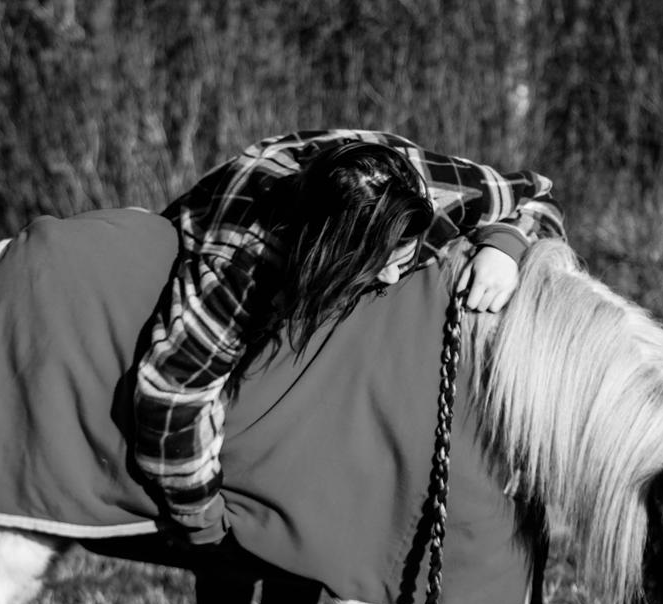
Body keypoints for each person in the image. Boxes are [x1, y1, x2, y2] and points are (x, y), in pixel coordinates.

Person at [134, 129, 566, 544]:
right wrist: (200, 520)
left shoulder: (436, 188)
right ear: (327, 253)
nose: (396, 275)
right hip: (250, 217)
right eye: (380, 263)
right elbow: (171, 397)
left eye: (406, 255)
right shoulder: (236, 264)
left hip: (352, 185)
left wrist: (506, 243)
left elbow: (539, 198)